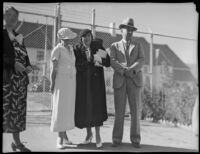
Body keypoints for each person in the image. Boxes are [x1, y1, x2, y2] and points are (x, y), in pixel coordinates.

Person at [109, 17, 145, 148]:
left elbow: (141, 60)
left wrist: (132, 70)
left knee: (135, 112)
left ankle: (136, 139)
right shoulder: (114, 46)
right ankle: (116, 139)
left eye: (131, 30)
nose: (129, 32)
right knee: (119, 111)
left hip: (134, 81)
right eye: (127, 29)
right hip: (120, 80)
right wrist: (124, 70)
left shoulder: (138, 44)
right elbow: (112, 61)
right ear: (121, 30)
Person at [73, 29, 110, 148]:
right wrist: (88, 61)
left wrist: (98, 59)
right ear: (81, 38)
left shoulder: (97, 46)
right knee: (86, 108)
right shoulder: (77, 49)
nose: (87, 39)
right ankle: (89, 135)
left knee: (96, 108)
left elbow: (107, 61)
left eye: (89, 36)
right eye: (84, 36)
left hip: (96, 84)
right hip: (83, 84)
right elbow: (77, 65)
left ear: (91, 37)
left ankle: (98, 136)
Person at [3, 6, 32, 152]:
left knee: (16, 114)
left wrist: (29, 67)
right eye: (9, 14)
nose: (12, 18)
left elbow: (24, 57)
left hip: (18, 82)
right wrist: (12, 63)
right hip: (5, 80)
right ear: (4, 16)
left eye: (15, 16)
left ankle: (17, 143)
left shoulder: (19, 36)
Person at [49, 27, 77, 149]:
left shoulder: (71, 49)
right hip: (60, 82)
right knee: (60, 108)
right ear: (62, 39)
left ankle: (64, 135)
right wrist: (52, 83)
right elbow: (53, 68)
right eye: (68, 38)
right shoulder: (57, 49)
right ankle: (59, 138)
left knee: (67, 108)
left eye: (70, 38)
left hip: (71, 83)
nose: (70, 40)